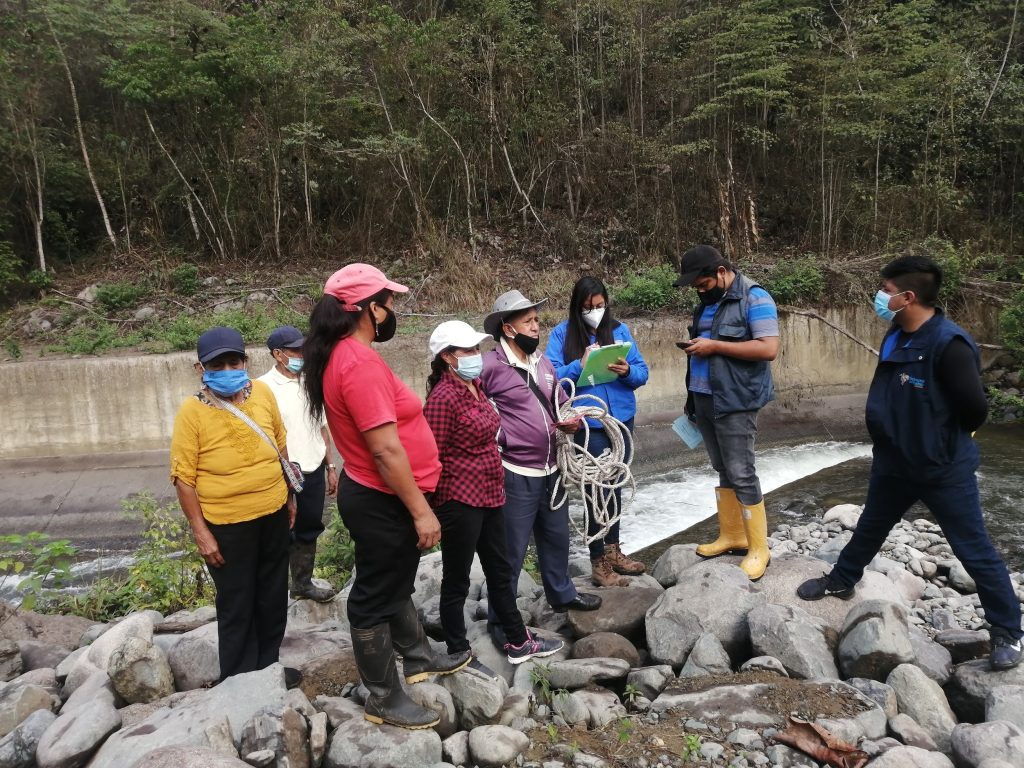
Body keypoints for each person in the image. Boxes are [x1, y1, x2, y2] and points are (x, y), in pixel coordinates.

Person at [797, 255, 1023, 670]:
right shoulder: (896, 333)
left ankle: (1007, 630)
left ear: (908, 296)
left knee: (975, 551)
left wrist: (938, 441)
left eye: (885, 290)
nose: (880, 297)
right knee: (871, 525)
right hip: (893, 461)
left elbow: (975, 410)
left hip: (942, 469)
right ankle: (842, 579)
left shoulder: (949, 344)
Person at [302, 263, 469, 730]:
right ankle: (382, 696)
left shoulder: (341, 355)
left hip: (378, 494)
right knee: (374, 596)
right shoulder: (356, 363)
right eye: (389, 302)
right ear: (369, 309)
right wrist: (421, 511)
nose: (393, 309)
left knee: (395, 578)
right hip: (383, 498)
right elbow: (384, 447)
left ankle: (417, 656)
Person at [424, 320, 565, 671]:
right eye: (468, 351)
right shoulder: (442, 398)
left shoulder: (476, 385)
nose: (476, 356)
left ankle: (518, 640)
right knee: (456, 577)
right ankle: (458, 649)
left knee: (500, 571)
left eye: (476, 349)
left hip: (490, 493)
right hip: (459, 499)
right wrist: (426, 510)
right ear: (447, 358)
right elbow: (432, 455)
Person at [170, 326, 299, 686]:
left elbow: (280, 446)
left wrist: (289, 495)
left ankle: (268, 669)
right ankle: (239, 681)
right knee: (237, 603)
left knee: (273, 597)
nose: (227, 370)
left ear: (245, 361)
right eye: (218, 365)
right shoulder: (192, 413)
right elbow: (183, 477)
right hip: (227, 526)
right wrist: (201, 532)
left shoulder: (263, 394)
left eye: (233, 361)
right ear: (201, 370)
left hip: (273, 514)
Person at [480, 289, 602, 625]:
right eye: (529, 321)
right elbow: (474, 409)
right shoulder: (489, 366)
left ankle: (561, 593)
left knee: (556, 536)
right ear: (508, 329)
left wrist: (573, 419)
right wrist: (502, 439)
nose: (537, 327)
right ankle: (500, 618)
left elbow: (560, 399)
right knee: (511, 550)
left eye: (537, 320)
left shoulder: (543, 363)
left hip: (552, 468)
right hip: (515, 471)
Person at [674, 245, 780, 581]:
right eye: (696, 288)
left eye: (703, 284)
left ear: (721, 273)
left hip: (736, 400)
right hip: (705, 399)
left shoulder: (754, 298)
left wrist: (715, 345)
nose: (700, 292)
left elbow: (768, 348)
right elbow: (702, 353)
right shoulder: (705, 306)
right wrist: (691, 397)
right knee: (723, 469)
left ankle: (759, 549)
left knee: (742, 471)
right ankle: (732, 535)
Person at [545, 276, 649, 587]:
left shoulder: (619, 330)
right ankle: (598, 561)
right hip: (590, 425)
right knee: (595, 491)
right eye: (589, 307)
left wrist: (628, 371)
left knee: (615, 484)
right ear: (577, 307)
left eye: (600, 306)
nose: (595, 311)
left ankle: (614, 549)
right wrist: (580, 363)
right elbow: (550, 377)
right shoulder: (561, 335)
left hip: (621, 421)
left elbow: (642, 372)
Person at [258, 325, 338, 603]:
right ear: (277, 354)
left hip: (313, 467)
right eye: (295, 351)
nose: (302, 354)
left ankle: (302, 583)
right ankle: (275, 590)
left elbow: (322, 426)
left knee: (309, 525)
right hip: (282, 472)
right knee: (280, 530)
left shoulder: (311, 381)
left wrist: (331, 466)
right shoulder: (262, 387)